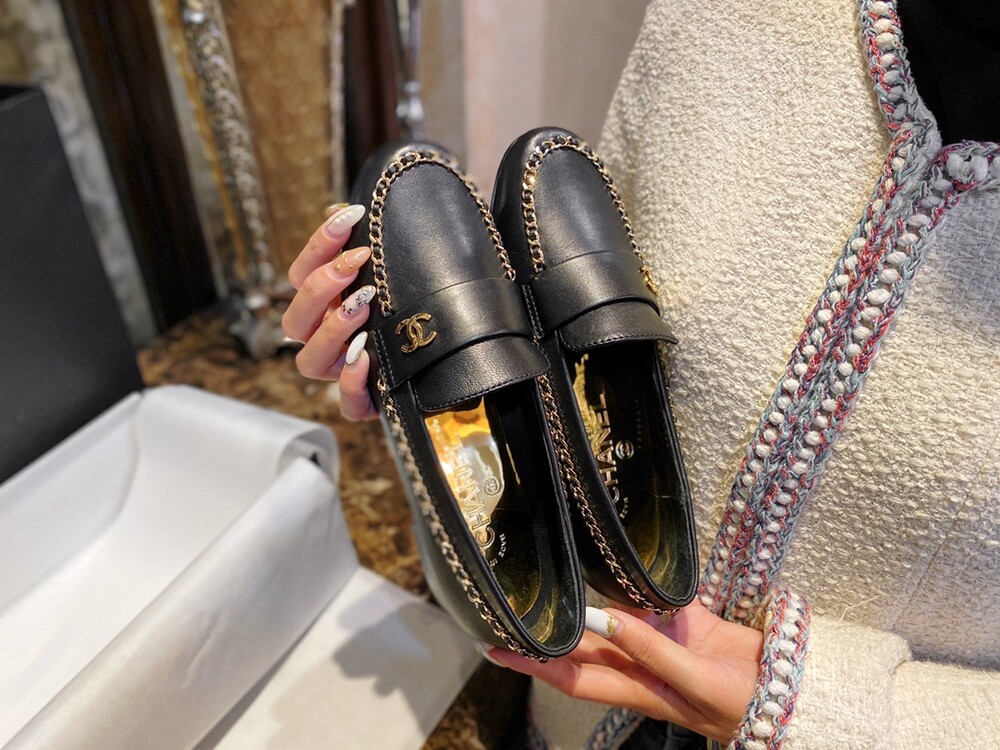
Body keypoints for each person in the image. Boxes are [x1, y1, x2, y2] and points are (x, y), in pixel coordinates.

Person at [284, 1, 1000, 746]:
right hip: (572, 701)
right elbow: (563, 324)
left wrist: (810, 708)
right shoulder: (724, 17)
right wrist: (427, 354)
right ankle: (541, 574)